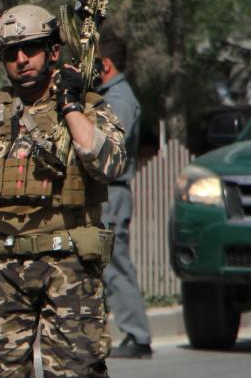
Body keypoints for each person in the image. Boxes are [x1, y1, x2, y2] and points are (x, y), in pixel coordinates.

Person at [0, 4, 127, 377]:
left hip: (69, 267)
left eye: (31, 48)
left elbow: (110, 164)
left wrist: (70, 105)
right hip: (2, 268)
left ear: (53, 51)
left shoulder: (87, 107)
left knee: (76, 371)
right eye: (10, 53)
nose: (21, 60)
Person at [96, 35, 152, 359]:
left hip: (112, 192)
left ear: (105, 64)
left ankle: (137, 335)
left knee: (115, 264)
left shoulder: (119, 99)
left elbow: (108, 147)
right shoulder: (106, 96)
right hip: (104, 194)